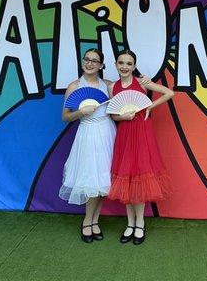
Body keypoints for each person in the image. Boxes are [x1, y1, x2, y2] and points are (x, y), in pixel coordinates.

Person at [59, 48, 150, 243]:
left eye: (95, 60)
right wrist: (81, 112)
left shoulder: (108, 85)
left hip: (108, 134)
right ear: (83, 62)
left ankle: (95, 222)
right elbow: (65, 116)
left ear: (101, 65)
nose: (90, 63)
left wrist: (144, 83)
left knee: (103, 181)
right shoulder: (74, 86)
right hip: (87, 135)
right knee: (91, 179)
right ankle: (87, 221)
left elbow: (129, 94)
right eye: (87, 59)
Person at [108, 49, 174, 245]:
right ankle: (130, 224)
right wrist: (122, 117)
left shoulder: (143, 83)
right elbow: (112, 114)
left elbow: (169, 93)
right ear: (116, 65)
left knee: (140, 176)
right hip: (124, 134)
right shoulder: (113, 87)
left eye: (129, 63)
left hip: (142, 132)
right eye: (121, 63)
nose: (125, 67)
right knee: (126, 179)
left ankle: (140, 223)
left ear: (134, 66)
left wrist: (149, 107)